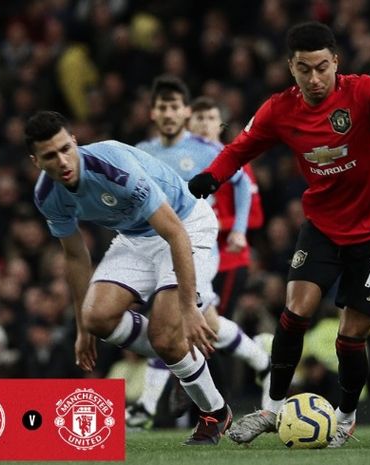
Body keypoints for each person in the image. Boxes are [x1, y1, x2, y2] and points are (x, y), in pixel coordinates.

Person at [189, 21, 370, 447]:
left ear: (336, 63)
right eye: (304, 70)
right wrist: (212, 176)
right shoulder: (280, 109)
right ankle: (271, 411)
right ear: (291, 68)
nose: (314, 79)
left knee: (350, 336)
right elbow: (241, 146)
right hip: (324, 226)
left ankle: (345, 420)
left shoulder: (363, 91)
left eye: (322, 68)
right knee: (295, 311)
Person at [27, 110, 231, 445]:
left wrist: (189, 308)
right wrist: (81, 327)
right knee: (97, 317)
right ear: (36, 161)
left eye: (66, 148)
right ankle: (178, 357)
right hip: (135, 236)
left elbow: (175, 233)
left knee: (166, 335)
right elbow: (76, 256)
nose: (62, 160)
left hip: (185, 225)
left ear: (75, 141)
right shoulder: (48, 195)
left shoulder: (114, 169)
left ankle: (215, 412)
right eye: (50, 155)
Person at [125, 76, 270, 428]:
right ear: (153, 113)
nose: (170, 113)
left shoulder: (209, 150)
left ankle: (149, 405)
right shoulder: (142, 151)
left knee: (174, 321)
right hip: (162, 250)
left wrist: (236, 230)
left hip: (204, 251)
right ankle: (262, 361)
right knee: (203, 324)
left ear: (185, 112)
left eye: (176, 106)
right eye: (163, 106)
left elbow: (240, 182)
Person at [187, 96, 264, 319]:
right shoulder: (179, 163)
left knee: (213, 326)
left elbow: (256, 217)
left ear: (220, 125)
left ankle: (255, 354)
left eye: (211, 118)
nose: (204, 124)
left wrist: (219, 224)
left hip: (227, 258)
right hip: (191, 257)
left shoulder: (236, 163)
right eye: (198, 118)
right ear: (188, 124)